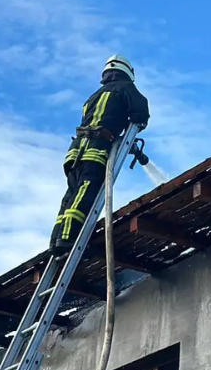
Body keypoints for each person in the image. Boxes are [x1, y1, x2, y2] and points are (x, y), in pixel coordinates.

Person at [49, 55, 150, 254]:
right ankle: (68, 238)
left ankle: (56, 240)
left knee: (71, 194)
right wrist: (135, 127)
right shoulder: (125, 87)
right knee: (86, 191)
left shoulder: (93, 96)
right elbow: (140, 112)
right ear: (128, 72)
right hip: (96, 149)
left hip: (75, 151)